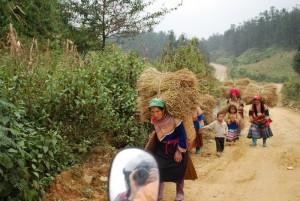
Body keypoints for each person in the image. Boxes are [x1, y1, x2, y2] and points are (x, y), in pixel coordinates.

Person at [148, 98, 187, 201]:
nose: (155, 114)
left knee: (179, 170)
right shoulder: (155, 121)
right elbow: (158, 135)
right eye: (152, 112)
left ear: (163, 110)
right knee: (158, 169)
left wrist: (179, 151)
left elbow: (182, 135)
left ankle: (180, 193)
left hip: (176, 147)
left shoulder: (175, 119)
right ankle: (159, 196)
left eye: (157, 111)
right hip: (161, 149)